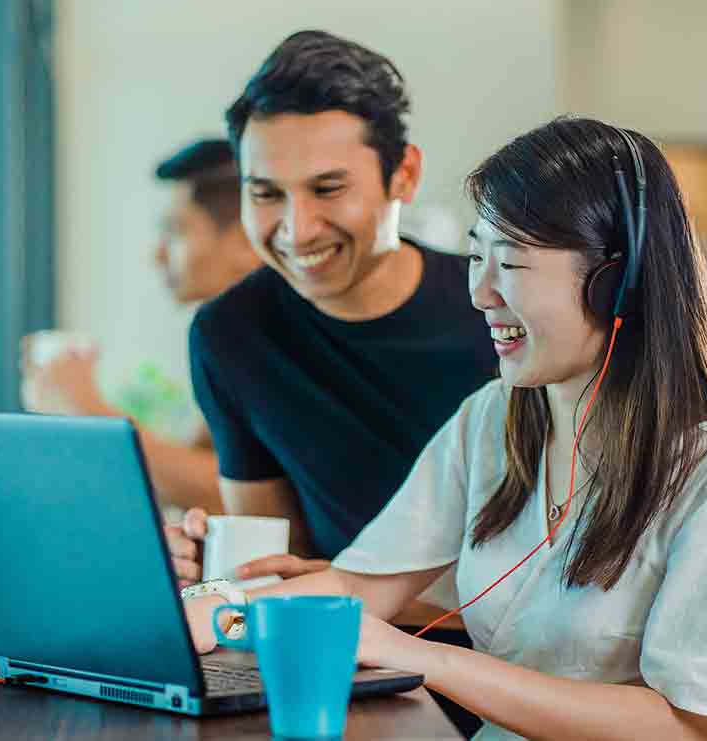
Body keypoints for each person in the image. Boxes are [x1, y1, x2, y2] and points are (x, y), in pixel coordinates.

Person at [184, 118, 707, 740]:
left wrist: (427, 660)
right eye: (478, 258)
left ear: (614, 283)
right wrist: (211, 603)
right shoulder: (491, 419)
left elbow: (678, 727)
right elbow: (359, 586)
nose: (481, 293)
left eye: (512, 263)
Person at [167, 31, 496, 736]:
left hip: (505, 672)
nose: (296, 229)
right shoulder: (231, 333)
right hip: (336, 671)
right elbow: (265, 547)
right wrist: (202, 567)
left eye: (328, 188)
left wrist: (353, 595)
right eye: (266, 193)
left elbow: (571, 590)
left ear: (403, 174)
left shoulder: (496, 317)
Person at [21, 139, 261, 512]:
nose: (158, 255)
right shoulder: (226, 341)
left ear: (245, 240)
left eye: (176, 231)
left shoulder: (271, 341)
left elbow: (240, 497)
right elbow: (197, 482)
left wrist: (88, 411)